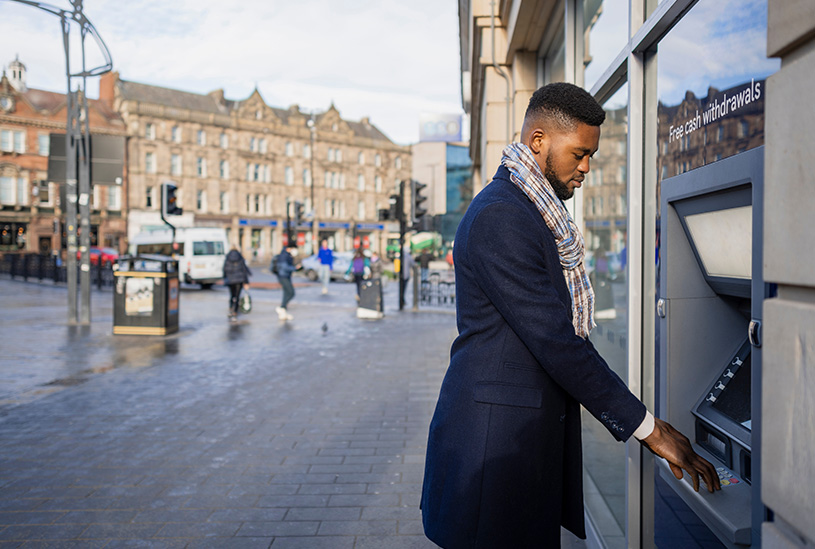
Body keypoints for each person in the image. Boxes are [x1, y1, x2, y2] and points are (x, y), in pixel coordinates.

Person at [420, 83, 719, 548]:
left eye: (591, 157)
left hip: (512, 443)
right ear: (538, 140)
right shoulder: (503, 217)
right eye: (579, 154)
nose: (585, 169)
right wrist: (649, 429)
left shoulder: (531, 212)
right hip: (492, 450)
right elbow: (557, 342)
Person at [222, 246, 251, 322]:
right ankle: (235, 312)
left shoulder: (228, 257)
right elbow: (244, 270)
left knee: (232, 295)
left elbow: (224, 269)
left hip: (231, 280)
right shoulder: (240, 257)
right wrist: (246, 282)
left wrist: (225, 278)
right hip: (239, 279)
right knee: (237, 296)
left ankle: (231, 308)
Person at [274, 245, 297, 321]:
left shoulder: (286, 255)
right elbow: (284, 267)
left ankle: (283, 312)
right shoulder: (284, 255)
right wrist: (294, 268)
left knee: (286, 293)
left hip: (285, 276)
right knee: (291, 292)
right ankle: (282, 307)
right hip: (283, 276)